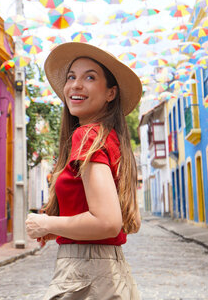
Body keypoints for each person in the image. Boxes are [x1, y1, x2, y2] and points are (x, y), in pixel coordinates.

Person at [26, 42, 143, 300]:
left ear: (111, 93)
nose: (75, 85)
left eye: (90, 77)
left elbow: (107, 222)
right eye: (71, 77)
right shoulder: (108, 138)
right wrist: (58, 228)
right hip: (106, 271)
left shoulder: (88, 136)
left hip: (86, 274)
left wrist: (45, 222)